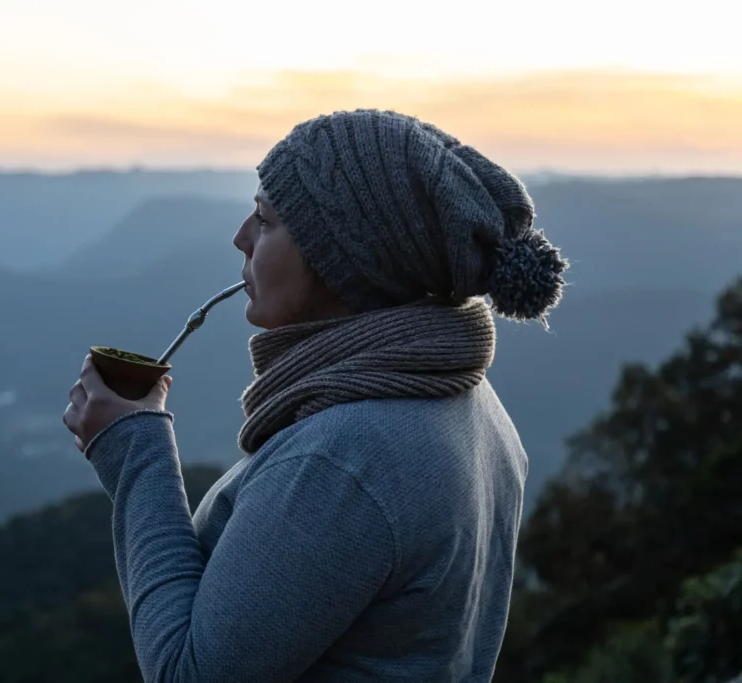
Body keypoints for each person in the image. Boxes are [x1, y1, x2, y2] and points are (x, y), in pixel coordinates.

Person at [63, 108, 568, 682]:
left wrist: (134, 452)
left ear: (344, 256)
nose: (241, 237)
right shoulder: (469, 403)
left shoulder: (344, 459)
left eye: (265, 219)